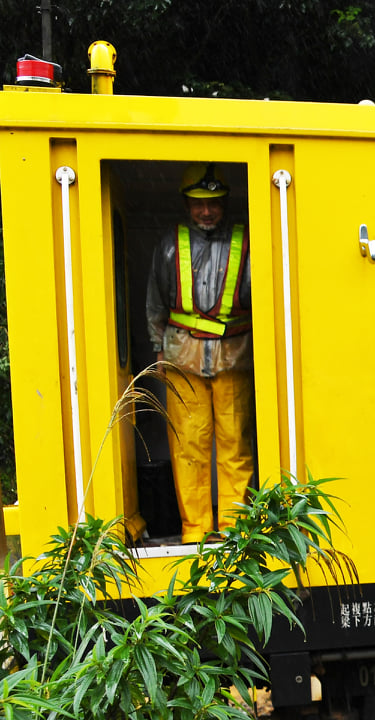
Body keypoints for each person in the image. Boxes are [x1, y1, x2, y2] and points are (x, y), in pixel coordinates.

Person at [145, 162, 254, 543]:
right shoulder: (168, 245)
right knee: (188, 445)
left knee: (234, 444)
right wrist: (158, 348)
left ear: (225, 203)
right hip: (182, 357)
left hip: (235, 355)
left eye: (213, 203)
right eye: (198, 203)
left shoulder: (248, 241)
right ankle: (195, 531)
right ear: (186, 204)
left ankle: (233, 528)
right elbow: (155, 302)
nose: (206, 211)